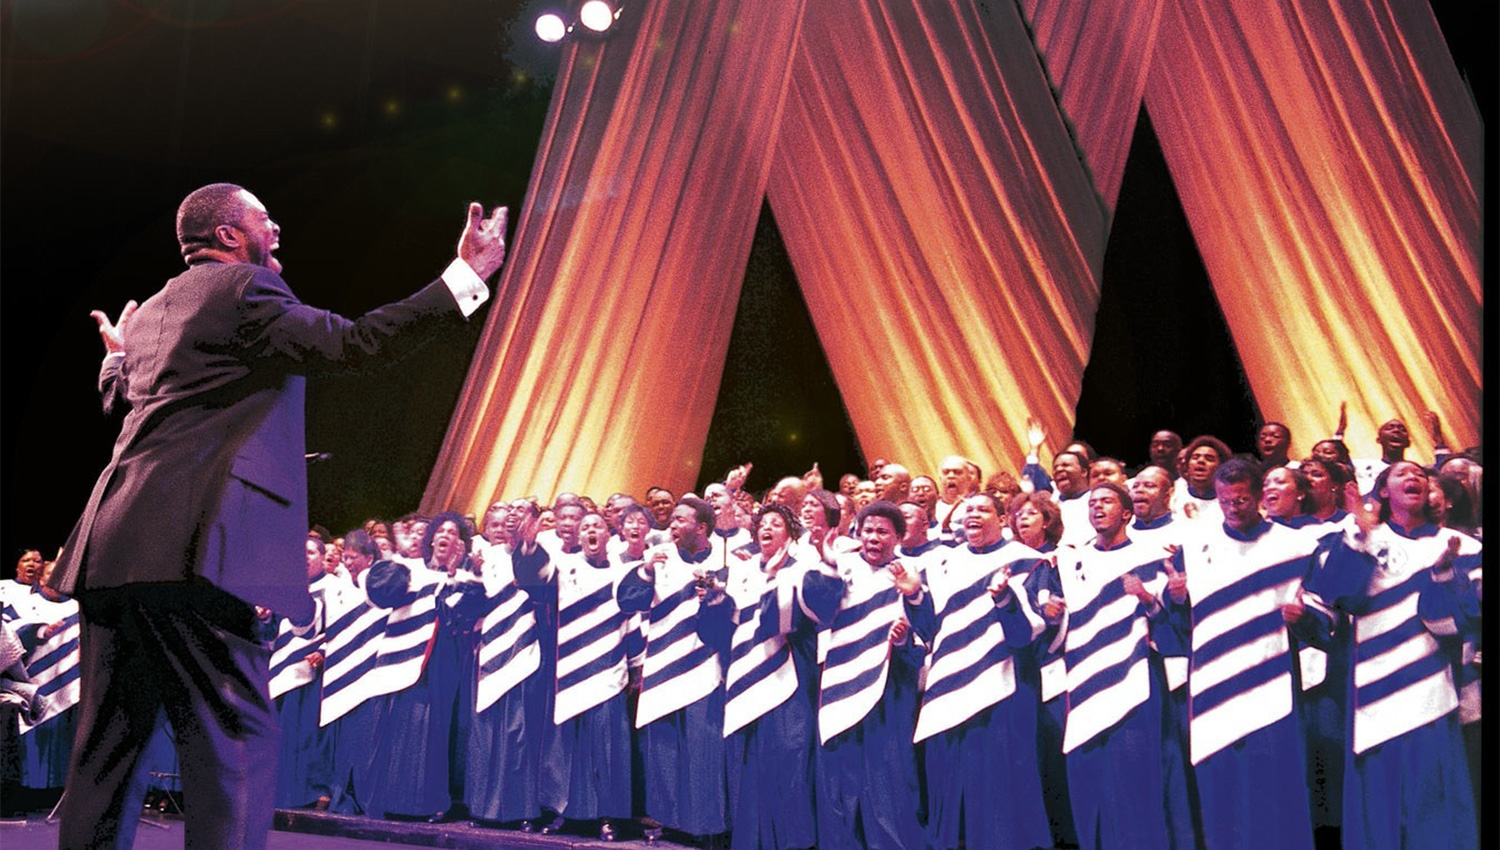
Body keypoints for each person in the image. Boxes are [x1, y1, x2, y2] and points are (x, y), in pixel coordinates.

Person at [48, 183, 508, 850]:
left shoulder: (148, 314)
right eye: (266, 219)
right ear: (231, 237)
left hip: (108, 550)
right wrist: (464, 277)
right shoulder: (245, 291)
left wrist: (117, 362)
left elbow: (131, 409)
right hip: (191, 550)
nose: (279, 228)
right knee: (233, 738)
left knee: (106, 751)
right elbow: (355, 345)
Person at [1302, 462, 1479, 850]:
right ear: (1382, 492)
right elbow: (1339, 596)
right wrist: (1360, 534)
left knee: (1434, 798)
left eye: (1419, 474)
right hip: (1370, 693)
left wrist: (1445, 574)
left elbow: (1458, 622)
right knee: (1378, 810)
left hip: (1436, 690)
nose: (1412, 478)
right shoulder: (1356, 535)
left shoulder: (1463, 546)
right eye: (1400, 474)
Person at [1164, 458, 1317, 850]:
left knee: (1275, 791)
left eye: (1242, 500)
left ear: (1259, 497)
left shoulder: (1295, 545)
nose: (1233, 507)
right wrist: (1176, 598)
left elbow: (1324, 613)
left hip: (1271, 683)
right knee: (1221, 794)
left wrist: (1303, 618)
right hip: (1212, 687)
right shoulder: (1194, 544)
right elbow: (1178, 628)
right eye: (1226, 500)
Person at [906, 493, 1051, 850]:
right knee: (949, 776)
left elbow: (1027, 635)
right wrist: (914, 598)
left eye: (983, 509)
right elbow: (928, 630)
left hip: (1003, 685)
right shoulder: (941, 563)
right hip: (947, 686)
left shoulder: (1026, 561)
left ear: (1003, 518)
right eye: (967, 510)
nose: (973, 515)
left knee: (1001, 775)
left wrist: (1004, 599)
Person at [1052, 482, 1173, 850]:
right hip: (1083, 678)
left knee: (1136, 774)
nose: (1097, 508)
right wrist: (1052, 613)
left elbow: (1173, 629)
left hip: (1135, 678)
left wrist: (1147, 597)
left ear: (1126, 513)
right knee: (1089, 775)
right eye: (1092, 503)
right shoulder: (1070, 561)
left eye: (1106, 501)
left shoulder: (1151, 555)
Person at [801, 501, 926, 850]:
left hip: (889, 686)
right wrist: (825, 562)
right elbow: (816, 611)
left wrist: (912, 604)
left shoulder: (912, 570)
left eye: (882, 531)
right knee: (838, 771)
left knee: (888, 773)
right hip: (839, 680)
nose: (873, 537)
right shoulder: (841, 564)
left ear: (898, 537)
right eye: (867, 530)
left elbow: (929, 627)